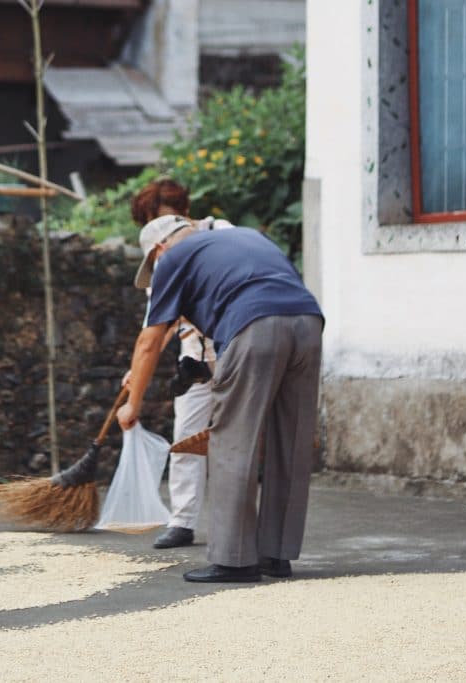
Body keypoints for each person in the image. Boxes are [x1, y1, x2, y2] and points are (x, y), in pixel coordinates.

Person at [117, 220, 323, 583]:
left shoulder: (172, 260)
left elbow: (149, 342)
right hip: (307, 323)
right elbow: (259, 310)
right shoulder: (244, 238)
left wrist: (132, 406)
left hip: (254, 323)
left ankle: (235, 560)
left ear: (158, 250)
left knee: (232, 441)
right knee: (291, 441)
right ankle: (276, 555)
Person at [127, 179, 233, 550]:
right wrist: (138, 367)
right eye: (154, 221)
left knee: (239, 436)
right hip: (193, 354)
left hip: (233, 346)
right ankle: (182, 521)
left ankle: (237, 523)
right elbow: (156, 324)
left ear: (184, 212)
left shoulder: (221, 233)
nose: (164, 228)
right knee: (185, 436)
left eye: (168, 218)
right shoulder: (161, 258)